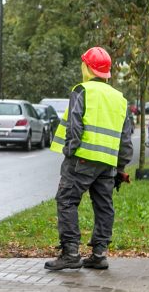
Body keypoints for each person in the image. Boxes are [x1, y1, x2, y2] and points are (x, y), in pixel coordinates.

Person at [46, 46, 133, 271]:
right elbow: (125, 139)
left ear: (87, 67)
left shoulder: (82, 90)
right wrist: (120, 167)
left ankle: (71, 253)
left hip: (81, 160)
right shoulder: (120, 99)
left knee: (67, 200)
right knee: (104, 206)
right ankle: (99, 254)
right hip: (108, 164)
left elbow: (75, 125)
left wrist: (70, 151)